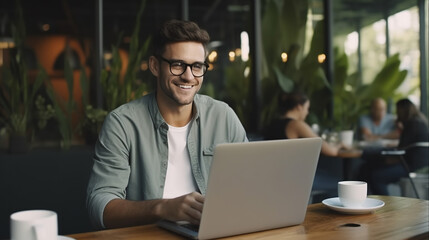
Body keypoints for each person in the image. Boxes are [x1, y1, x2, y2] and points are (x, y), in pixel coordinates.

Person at [86, 20, 248, 230]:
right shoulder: (122, 124)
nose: (188, 76)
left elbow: (248, 185)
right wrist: (163, 208)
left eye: (197, 66)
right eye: (178, 64)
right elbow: (100, 206)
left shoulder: (223, 116)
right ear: (155, 66)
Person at [368, 98, 429, 195]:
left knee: (376, 176)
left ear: (402, 110)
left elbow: (400, 150)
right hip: (421, 164)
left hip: (412, 166)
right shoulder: (420, 121)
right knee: (374, 168)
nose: (396, 113)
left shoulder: (412, 124)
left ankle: (386, 207)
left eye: (397, 110)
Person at [264, 92, 345, 157]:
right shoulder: (296, 125)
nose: (307, 112)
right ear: (299, 107)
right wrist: (340, 145)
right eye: (307, 108)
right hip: (289, 172)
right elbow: (330, 151)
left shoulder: (273, 123)